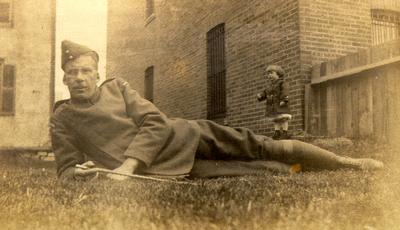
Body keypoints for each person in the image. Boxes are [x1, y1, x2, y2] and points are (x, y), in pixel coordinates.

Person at [50, 40, 383, 181]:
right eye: (72, 73)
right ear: (64, 78)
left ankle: (347, 162)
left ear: (96, 73)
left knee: (263, 146)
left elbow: (155, 121)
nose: (79, 78)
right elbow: (65, 169)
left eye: (85, 71)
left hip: (187, 136)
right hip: (164, 171)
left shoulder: (117, 88)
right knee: (260, 170)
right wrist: (77, 176)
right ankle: (306, 169)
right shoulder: (63, 118)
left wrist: (127, 166)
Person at [257, 65, 291, 140]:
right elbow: (265, 93)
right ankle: (277, 132)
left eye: (271, 73)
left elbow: (285, 91)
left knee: (283, 118)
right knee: (276, 119)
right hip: (272, 106)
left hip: (280, 104)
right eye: (268, 74)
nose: (269, 75)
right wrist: (261, 96)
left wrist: (284, 100)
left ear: (278, 73)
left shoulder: (282, 83)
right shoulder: (269, 86)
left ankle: (285, 132)